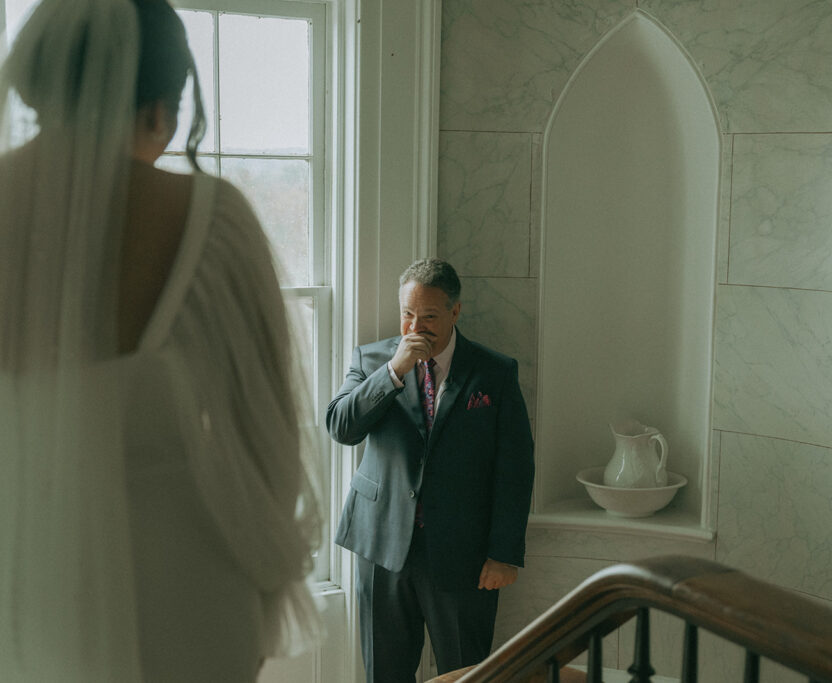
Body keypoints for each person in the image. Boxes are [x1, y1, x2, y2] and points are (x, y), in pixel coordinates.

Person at [0, 1, 322, 680]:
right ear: (159, 105)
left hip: (21, 604)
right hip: (187, 606)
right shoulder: (212, 219)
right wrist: (264, 598)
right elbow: (272, 442)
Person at [327, 258, 535, 682]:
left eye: (429, 316)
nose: (415, 326)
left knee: (466, 675)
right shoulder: (371, 361)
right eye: (407, 314)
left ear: (455, 311)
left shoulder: (495, 372)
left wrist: (503, 553)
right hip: (382, 547)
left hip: (464, 555)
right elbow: (341, 427)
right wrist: (392, 372)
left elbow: (515, 469)